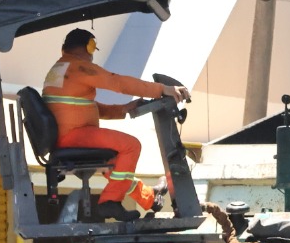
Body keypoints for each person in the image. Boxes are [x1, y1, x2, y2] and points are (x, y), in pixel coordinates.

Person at [43, 27, 191, 221]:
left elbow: (86, 106)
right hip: (74, 135)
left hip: (67, 135)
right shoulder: (78, 66)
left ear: (64, 48)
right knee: (130, 146)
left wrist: (123, 109)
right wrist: (162, 89)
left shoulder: (60, 69)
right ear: (89, 47)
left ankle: (149, 197)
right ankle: (110, 202)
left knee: (117, 166)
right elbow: (118, 83)